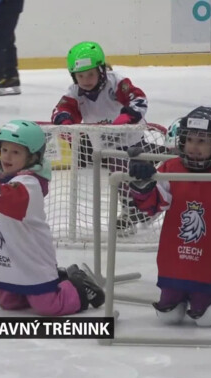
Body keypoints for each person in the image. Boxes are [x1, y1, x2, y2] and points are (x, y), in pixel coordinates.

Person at [0, 120, 105, 316]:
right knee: (8, 302)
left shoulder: (30, 185)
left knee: (49, 306)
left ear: (32, 157)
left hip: (32, 258)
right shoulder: (1, 179)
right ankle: (54, 280)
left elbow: (2, 198)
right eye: (4, 150)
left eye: (16, 152)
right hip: (8, 257)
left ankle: (79, 284)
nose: (7, 156)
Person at [128, 106, 211, 327]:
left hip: (210, 261)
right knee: (168, 316)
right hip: (174, 260)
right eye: (190, 139)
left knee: (207, 318)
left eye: (202, 141)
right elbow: (152, 206)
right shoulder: (171, 167)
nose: (194, 146)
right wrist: (143, 184)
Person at [50, 40, 167, 234]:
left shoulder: (117, 82)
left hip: (130, 138)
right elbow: (61, 109)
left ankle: (138, 208)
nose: (86, 80)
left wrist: (127, 116)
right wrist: (65, 121)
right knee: (119, 178)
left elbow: (139, 99)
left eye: (90, 74)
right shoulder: (75, 92)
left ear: (101, 70)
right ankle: (133, 210)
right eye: (80, 76)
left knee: (132, 174)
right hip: (104, 143)